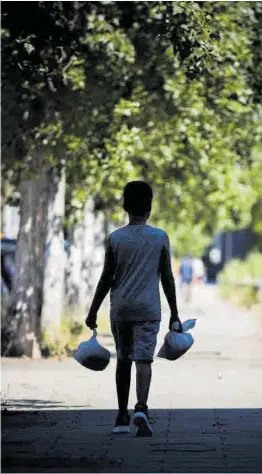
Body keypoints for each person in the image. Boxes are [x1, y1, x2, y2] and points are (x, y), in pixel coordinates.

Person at [85, 181, 182, 437]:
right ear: (149, 208)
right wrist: (174, 312)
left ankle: (120, 417)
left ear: (125, 207)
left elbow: (107, 277)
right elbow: (167, 278)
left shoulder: (115, 238)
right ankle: (141, 408)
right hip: (148, 309)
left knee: (123, 359)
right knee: (144, 360)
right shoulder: (160, 237)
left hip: (121, 309)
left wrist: (93, 310)